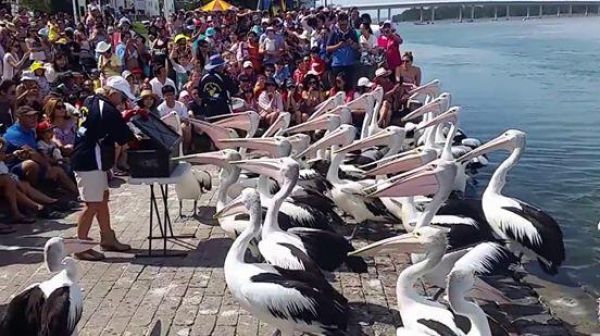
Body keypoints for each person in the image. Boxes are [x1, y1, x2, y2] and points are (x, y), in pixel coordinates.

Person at [70, 76, 136, 261]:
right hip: (89, 160)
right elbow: (125, 137)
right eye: (122, 98)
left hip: (90, 157)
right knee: (92, 204)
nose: (123, 102)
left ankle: (107, 238)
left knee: (102, 198)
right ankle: (80, 246)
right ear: (113, 93)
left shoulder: (91, 99)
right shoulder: (107, 109)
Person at [3, 106, 78, 196]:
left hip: (37, 164)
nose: (34, 119)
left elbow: (38, 152)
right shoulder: (14, 132)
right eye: (29, 116)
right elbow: (31, 153)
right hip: (12, 169)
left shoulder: (30, 131)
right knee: (31, 164)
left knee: (58, 170)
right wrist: (47, 166)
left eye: (35, 116)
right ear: (20, 117)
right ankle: (38, 191)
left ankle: (80, 195)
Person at [326, 12, 359, 86]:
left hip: (349, 65)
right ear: (338, 23)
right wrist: (339, 45)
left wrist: (351, 43)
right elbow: (327, 48)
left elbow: (358, 47)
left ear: (347, 22)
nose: (343, 27)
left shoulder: (352, 32)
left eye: (344, 24)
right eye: (341, 25)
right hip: (337, 65)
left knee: (349, 87)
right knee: (338, 88)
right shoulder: (334, 33)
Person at [198, 54, 236, 118]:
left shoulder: (203, 78)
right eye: (222, 65)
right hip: (223, 111)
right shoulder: (224, 78)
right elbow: (234, 91)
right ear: (219, 67)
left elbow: (200, 94)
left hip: (208, 111)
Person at [157, 85, 192, 151]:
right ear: (163, 96)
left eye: (171, 95)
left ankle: (185, 150)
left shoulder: (181, 105)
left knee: (186, 128)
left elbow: (185, 120)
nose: (170, 97)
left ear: (174, 95)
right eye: (167, 95)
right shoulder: (160, 108)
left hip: (180, 126)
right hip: (167, 128)